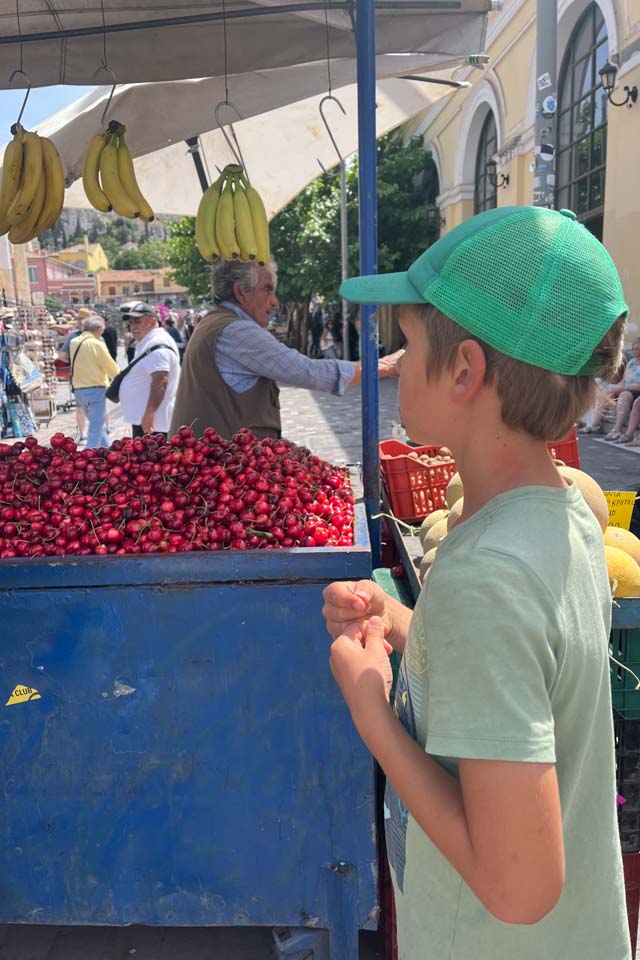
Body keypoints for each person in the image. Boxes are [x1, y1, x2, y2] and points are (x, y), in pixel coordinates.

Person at [322, 206, 630, 959]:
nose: (395, 364)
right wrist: (398, 619)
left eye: (406, 344)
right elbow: (529, 663)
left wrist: (371, 711)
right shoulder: (562, 514)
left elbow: (519, 889)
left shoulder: (485, 577)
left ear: (464, 370)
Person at [170, 260, 402, 440]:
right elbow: (310, 372)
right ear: (241, 292)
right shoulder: (236, 331)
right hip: (218, 470)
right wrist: (387, 366)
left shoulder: (216, 321)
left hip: (216, 464)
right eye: (267, 290)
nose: (275, 302)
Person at [118, 302, 180, 438]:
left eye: (138, 322)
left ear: (152, 322)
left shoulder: (157, 343)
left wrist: (149, 413)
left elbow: (161, 381)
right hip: (149, 419)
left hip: (154, 422)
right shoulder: (149, 341)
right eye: (131, 322)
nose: (133, 326)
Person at [69, 315, 119, 448]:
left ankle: (108, 453)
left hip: (78, 390)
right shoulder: (97, 344)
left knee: (97, 425)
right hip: (96, 389)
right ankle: (88, 456)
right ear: (98, 329)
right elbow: (111, 367)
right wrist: (120, 380)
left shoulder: (74, 343)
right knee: (96, 428)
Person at [58, 306, 94, 443]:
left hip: (78, 376)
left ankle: (83, 434)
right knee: (95, 405)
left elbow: (62, 356)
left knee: (80, 406)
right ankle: (97, 432)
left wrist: (73, 362)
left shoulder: (72, 336)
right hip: (94, 375)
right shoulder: (97, 335)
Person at [597, 338, 640, 442]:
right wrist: (617, 387)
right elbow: (624, 380)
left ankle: (617, 429)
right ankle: (594, 424)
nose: (637, 351)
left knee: (624, 395)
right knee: (607, 393)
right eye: (635, 349)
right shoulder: (632, 362)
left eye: (639, 349)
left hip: (635, 389)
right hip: (627, 388)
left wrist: (624, 388)